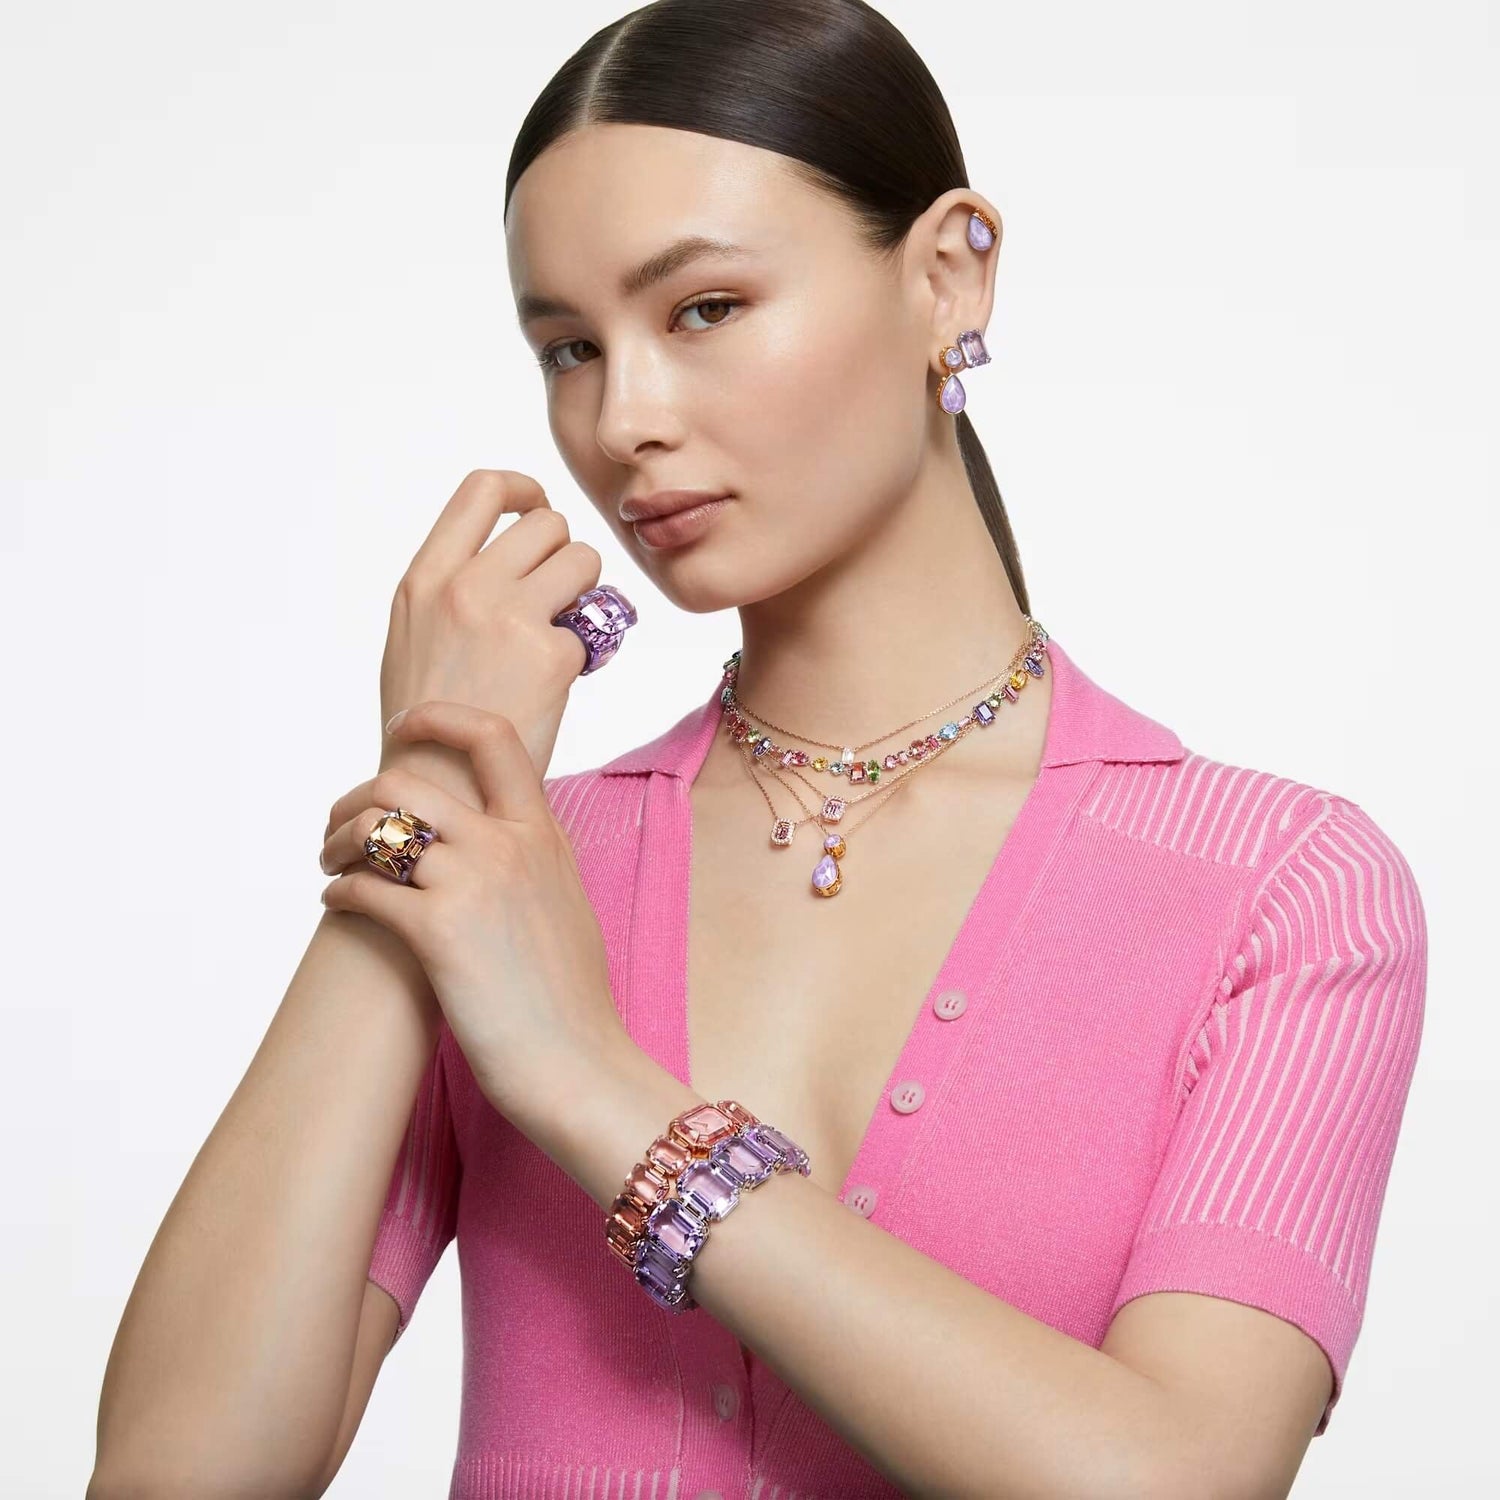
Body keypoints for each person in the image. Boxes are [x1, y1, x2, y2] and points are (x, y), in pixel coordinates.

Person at [89, 2, 1428, 1497]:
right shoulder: (508, 868)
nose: (623, 419)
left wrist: (588, 1080)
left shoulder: (1274, 890)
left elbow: (1175, 1481)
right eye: (569, 348)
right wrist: (428, 798)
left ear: (947, 273)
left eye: (704, 309)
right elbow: (174, 1480)